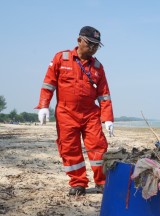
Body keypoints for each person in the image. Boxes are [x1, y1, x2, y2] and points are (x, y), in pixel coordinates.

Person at [35, 26, 114, 196]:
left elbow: (104, 95)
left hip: (90, 115)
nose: (93, 48)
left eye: (96, 45)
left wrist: (108, 119)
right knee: (70, 149)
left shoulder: (98, 67)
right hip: (66, 113)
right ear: (79, 40)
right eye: (90, 43)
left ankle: (102, 182)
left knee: (98, 147)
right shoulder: (61, 58)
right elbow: (48, 85)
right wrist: (43, 105)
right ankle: (78, 183)